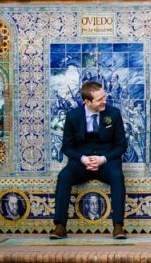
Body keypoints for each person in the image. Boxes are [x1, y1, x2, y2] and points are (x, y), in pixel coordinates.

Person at [50, 80, 128, 239]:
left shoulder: (113, 114)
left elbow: (121, 146)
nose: (104, 101)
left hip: (106, 161)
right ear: (87, 101)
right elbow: (67, 147)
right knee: (64, 176)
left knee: (117, 176)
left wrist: (103, 159)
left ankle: (118, 226)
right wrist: (83, 159)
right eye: (99, 99)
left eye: (104, 97)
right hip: (81, 162)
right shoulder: (73, 116)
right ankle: (60, 226)